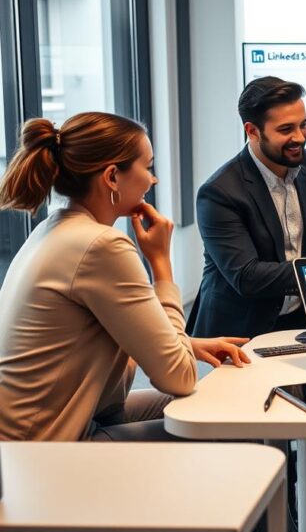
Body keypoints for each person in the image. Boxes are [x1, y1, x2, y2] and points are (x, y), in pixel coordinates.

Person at [0, 112, 249, 442]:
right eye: (147, 167)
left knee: (213, 406)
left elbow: (90, 338)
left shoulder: (55, 228)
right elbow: (180, 376)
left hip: (39, 431)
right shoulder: (100, 246)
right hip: (45, 449)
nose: (153, 180)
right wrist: (161, 262)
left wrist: (183, 343)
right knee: (225, 427)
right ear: (112, 177)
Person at [190, 76, 306, 474]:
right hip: (243, 322)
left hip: (300, 305)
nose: (300, 137)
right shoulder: (220, 192)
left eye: (304, 124)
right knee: (258, 436)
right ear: (252, 130)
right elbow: (246, 276)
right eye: (286, 129)